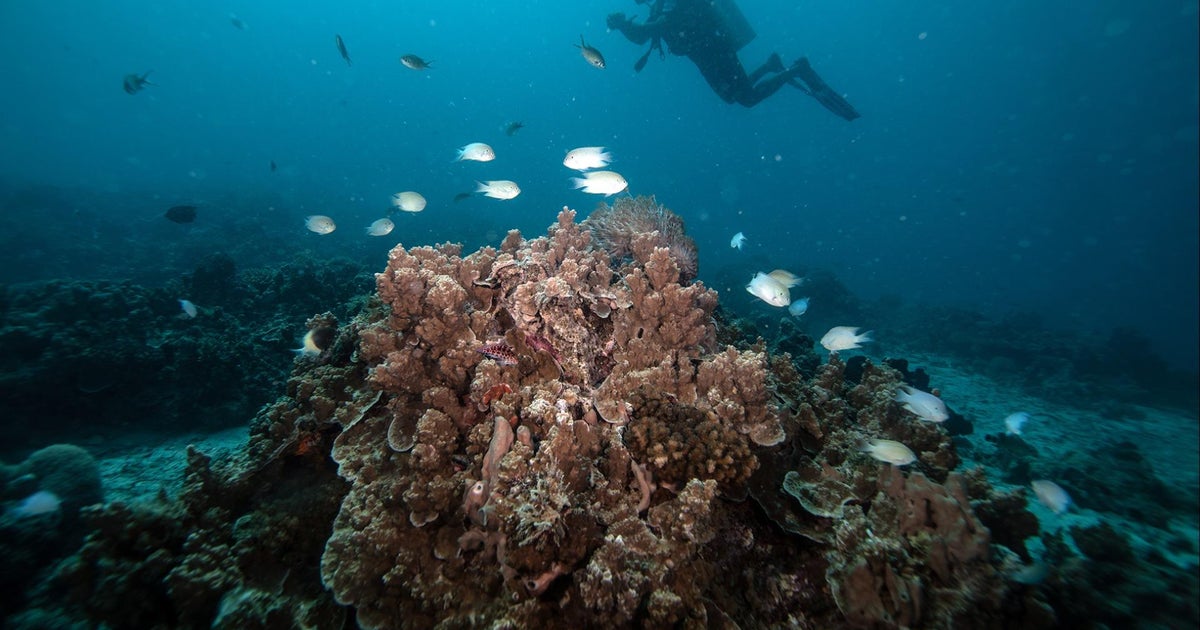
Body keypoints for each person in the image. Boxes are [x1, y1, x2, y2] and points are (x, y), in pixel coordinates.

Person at [606, 0, 860, 120]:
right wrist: (624, 26)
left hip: (715, 53)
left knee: (746, 98)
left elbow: (646, 32)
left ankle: (796, 69)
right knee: (734, 95)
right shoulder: (662, 6)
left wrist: (623, 25)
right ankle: (770, 65)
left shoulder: (671, 5)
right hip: (709, 56)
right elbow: (644, 34)